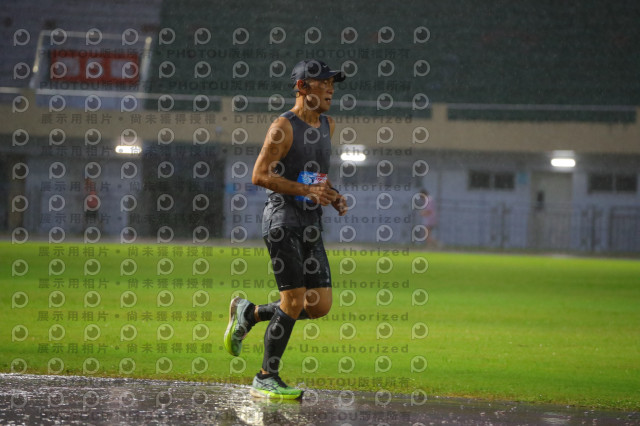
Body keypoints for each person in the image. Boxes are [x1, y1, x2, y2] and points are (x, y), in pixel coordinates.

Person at [223, 59, 348, 399]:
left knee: (319, 305)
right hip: (282, 220)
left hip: (310, 222)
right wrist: (307, 190)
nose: (331, 89)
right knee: (292, 301)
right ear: (302, 87)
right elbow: (259, 175)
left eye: (333, 83)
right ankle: (266, 376)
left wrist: (333, 195)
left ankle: (250, 313)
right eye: (324, 82)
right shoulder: (283, 126)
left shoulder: (328, 125)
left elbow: (315, 174)